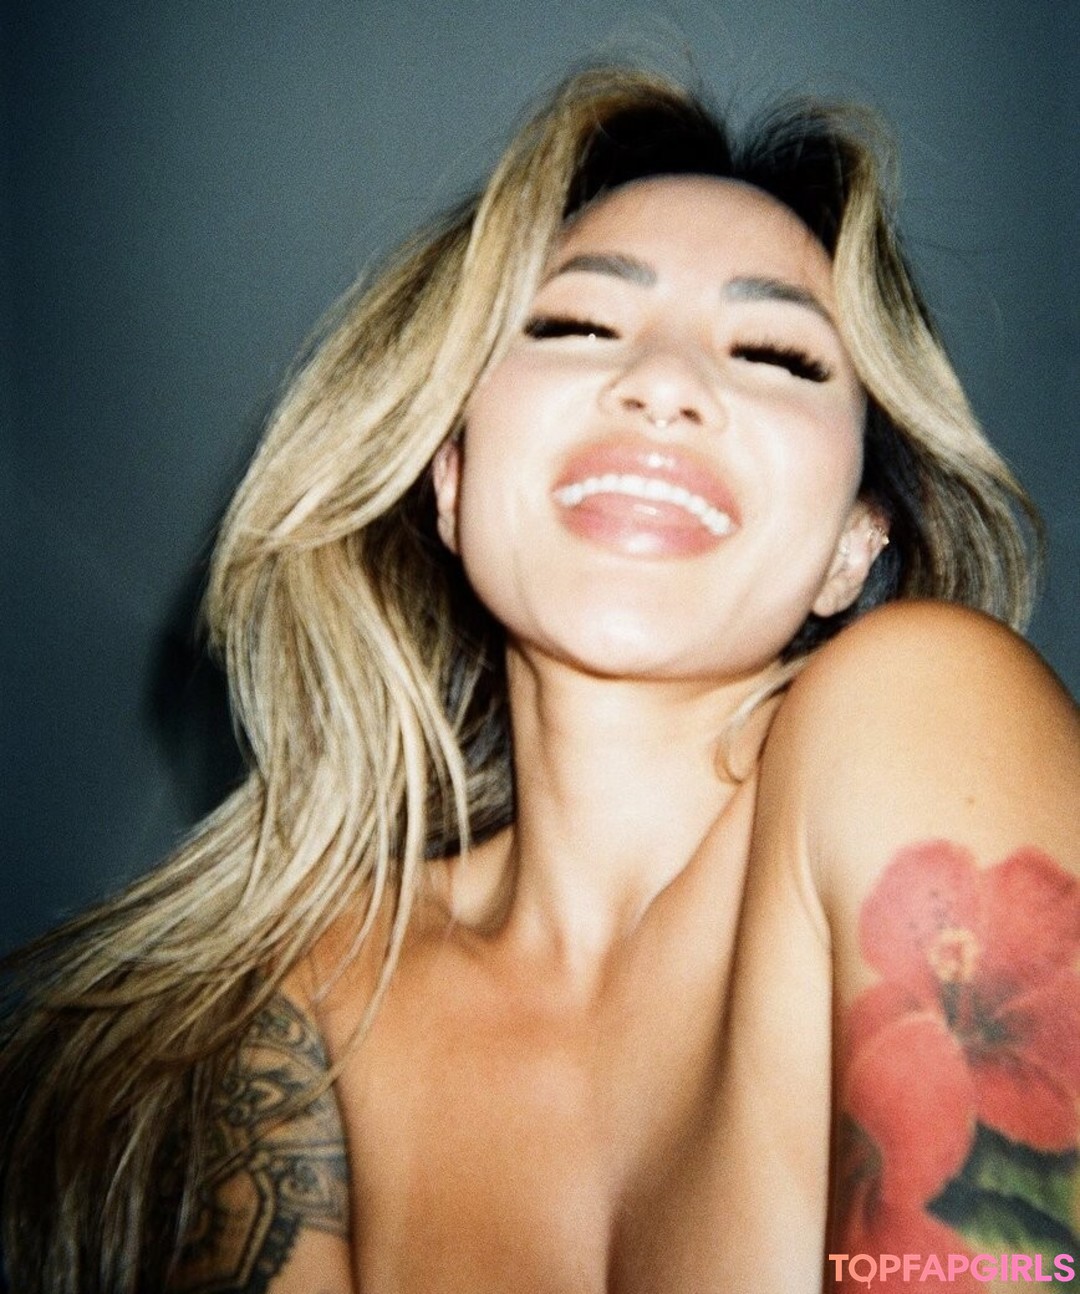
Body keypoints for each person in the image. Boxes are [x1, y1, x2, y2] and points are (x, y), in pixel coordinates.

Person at [2, 65, 1077, 1294]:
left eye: (776, 352)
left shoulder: (922, 702)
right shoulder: (304, 993)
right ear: (453, 479)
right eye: (577, 326)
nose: (664, 382)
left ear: (854, 544)